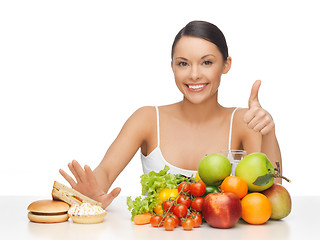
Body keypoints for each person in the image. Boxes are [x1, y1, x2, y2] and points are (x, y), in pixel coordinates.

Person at [59, 20, 282, 209]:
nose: (194, 74)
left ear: (226, 65)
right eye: (183, 63)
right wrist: (88, 194)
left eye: (207, 62)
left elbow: (273, 195)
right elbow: (105, 174)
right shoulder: (147, 119)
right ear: (172, 67)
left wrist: (269, 132)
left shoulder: (245, 122)